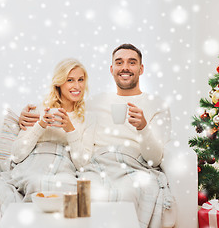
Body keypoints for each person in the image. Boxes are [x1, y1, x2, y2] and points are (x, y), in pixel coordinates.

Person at [18, 44, 174, 228]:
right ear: (112, 69)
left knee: (131, 192)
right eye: (119, 62)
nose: (125, 67)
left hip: (134, 164)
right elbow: (67, 104)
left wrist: (143, 127)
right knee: (81, 194)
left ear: (141, 69)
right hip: (97, 165)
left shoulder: (157, 104)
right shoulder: (94, 103)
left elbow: (154, 160)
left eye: (132, 62)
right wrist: (24, 116)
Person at [0, 58, 93, 228]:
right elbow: (17, 154)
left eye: (81, 80)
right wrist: (41, 125)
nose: (77, 86)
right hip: (35, 163)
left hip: (65, 167)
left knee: (78, 193)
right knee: (38, 182)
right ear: (59, 83)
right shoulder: (38, 110)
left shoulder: (87, 117)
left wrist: (70, 129)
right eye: (70, 80)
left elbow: (83, 163)